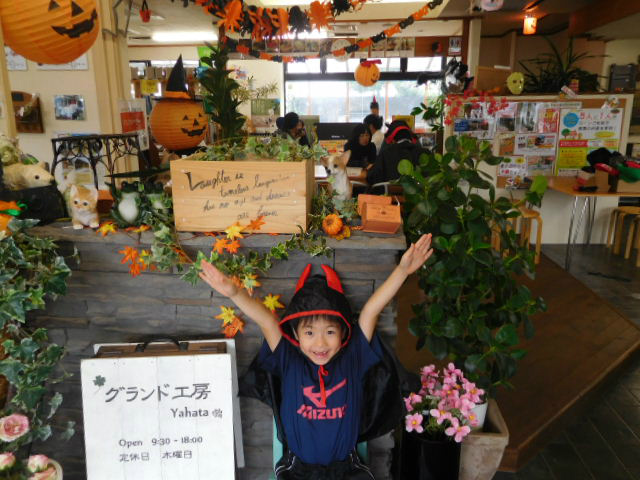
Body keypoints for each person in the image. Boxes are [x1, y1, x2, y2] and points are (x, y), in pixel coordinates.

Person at [199, 234, 433, 480]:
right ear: (295, 334)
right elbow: (266, 321)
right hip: (297, 470)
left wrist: (402, 270)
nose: (320, 343)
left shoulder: (353, 357)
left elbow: (370, 311)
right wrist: (235, 293)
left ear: (343, 332)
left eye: (330, 332)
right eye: (309, 333)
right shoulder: (288, 360)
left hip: (347, 469)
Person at [367, 120, 425, 188]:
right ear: (411, 137)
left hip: (389, 193)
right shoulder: (424, 153)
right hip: (419, 194)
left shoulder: (386, 154)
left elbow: (372, 177)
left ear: (393, 140)